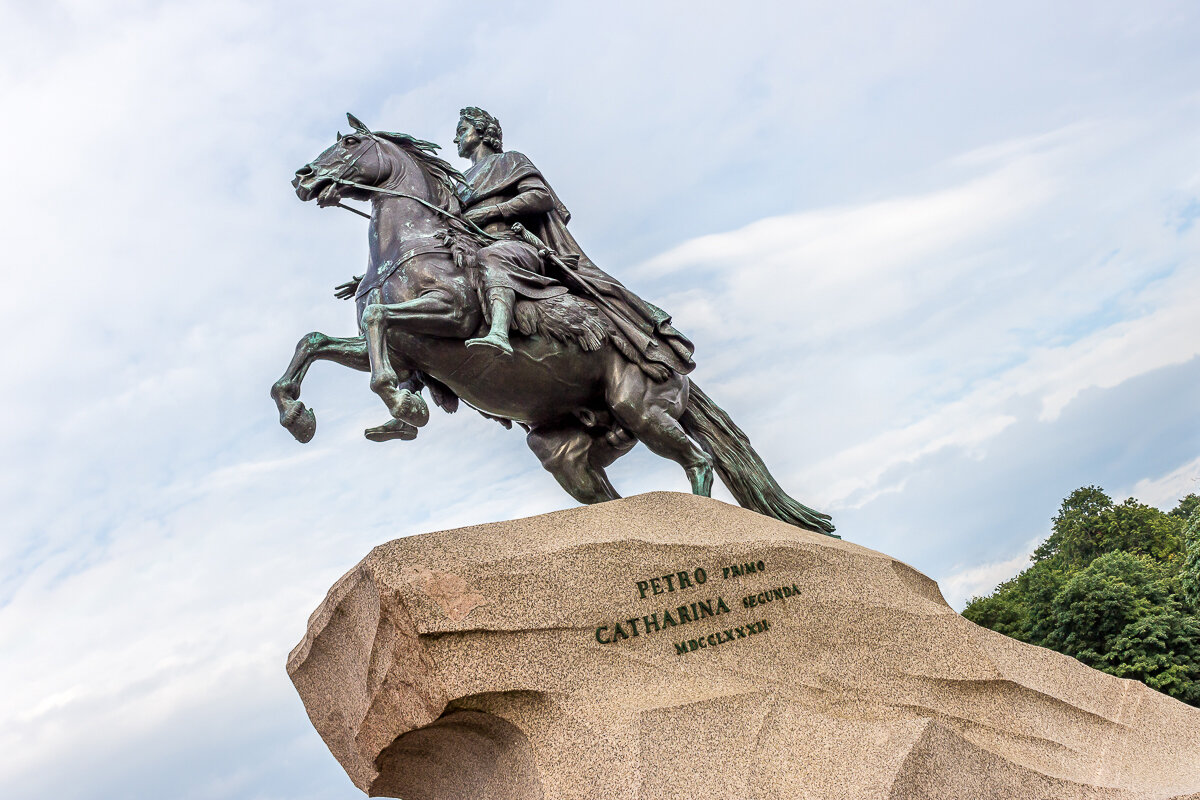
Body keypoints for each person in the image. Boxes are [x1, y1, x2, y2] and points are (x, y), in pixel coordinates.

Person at [453, 107, 695, 377]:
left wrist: (491, 212)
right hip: (470, 245)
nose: (456, 139)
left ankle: (498, 332)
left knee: (492, 257)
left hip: (513, 244)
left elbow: (539, 197)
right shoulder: (457, 182)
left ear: (484, 132)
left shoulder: (510, 160)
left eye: (462, 130)